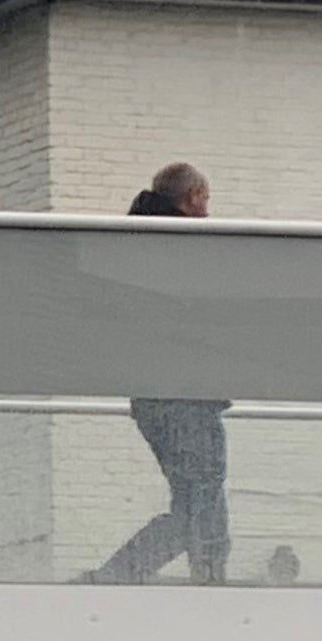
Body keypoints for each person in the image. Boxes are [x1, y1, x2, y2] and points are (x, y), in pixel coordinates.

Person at [87, 162, 229, 586]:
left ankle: (200, 578)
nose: (208, 210)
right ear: (192, 198)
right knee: (200, 503)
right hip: (185, 394)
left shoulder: (136, 243)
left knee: (196, 504)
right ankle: (127, 578)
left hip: (155, 395)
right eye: (205, 199)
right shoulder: (182, 247)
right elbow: (197, 316)